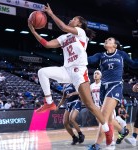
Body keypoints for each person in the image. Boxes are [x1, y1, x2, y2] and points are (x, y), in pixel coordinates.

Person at [28, 3, 111, 144]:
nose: (71, 20)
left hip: (79, 71)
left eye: (73, 18)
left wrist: (51, 14)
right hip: (66, 70)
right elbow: (47, 44)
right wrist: (33, 30)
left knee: (90, 105)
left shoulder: (80, 32)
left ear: (79, 23)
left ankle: (107, 130)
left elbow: (63, 27)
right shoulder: (64, 38)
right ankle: (49, 103)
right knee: (42, 72)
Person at [88, 37, 138, 150]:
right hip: (103, 88)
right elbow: (89, 60)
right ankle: (122, 131)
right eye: (105, 40)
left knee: (103, 117)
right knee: (109, 119)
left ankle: (97, 145)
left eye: (109, 40)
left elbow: (133, 64)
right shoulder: (100, 55)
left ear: (115, 45)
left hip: (115, 85)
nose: (106, 40)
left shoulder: (121, 54)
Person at [89, 70, 128, 148]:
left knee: (107, 121)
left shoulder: (103, 83)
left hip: (106, 105)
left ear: (101, 76)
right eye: (94, 73)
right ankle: (122, 131)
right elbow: (91, 97)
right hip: (97, 106)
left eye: (97, 73)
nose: (95, 75)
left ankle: (111, 140)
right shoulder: (91, 86)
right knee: (104, 122)